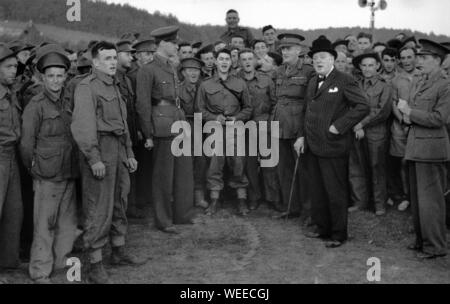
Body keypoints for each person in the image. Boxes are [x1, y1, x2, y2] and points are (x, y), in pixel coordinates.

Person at [71, 41, 144, 284]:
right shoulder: (87, 87)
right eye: (107, 58)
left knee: (119, 201)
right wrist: (94, 159)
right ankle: (94, 264)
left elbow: (122, 126)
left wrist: (130, 153)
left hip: (118, 150)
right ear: (95, 62)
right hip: (100, 150)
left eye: (115, 57)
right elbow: (83, 127)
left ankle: (118, 250)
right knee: (97, 207)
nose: (113, 62)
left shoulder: (115, 86)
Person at [300, 36, 369, 248]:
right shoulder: (312, 81)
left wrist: (339, 126)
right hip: (313, 145)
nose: (319, 61)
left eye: (323, 57)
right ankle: (323, 229)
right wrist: (302, 136)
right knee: (318, 190)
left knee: (335, 191)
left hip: (334, 146)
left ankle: (338, 234)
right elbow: (308, 112)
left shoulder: (344, 80)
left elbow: (363, 106)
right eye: (316, 58)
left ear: (332, 59)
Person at [20, 44, 78, 284]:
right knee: (44, 226)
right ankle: (40, 272)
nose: (55, 81)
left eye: (60, 76)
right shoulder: (36, 105)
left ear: (65, 77)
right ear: (42, 78)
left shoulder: (68, 101)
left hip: (68, 172)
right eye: (50, 76)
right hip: (46, 175)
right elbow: (26, 144)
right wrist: (35, 169)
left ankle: (60, 267)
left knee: (67, 225)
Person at [136, 26, 196, 234]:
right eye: (174, 43)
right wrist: (148, 134)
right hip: (161, 126)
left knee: (183, 172)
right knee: (163, 176)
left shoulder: (171, 67)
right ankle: (163, 220)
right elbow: (143, 104)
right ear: (162, 44)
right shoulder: (148, 69)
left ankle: (183, 214)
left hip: (178, 121)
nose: (177, 46)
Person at [397, 39, 450, 259]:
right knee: (419, 201)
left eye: (424, 58)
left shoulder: (445, 85)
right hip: (417, 147)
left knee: (431, 202)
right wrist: (409, 115)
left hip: (430, 150)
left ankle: (435, 246)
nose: (420, 62)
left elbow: (439, 118)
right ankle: (422, 241)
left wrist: (409, 112)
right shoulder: (424, 82)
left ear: (437, 61)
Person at [196, 48, 252, 216]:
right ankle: (214, 200)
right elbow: (200, 110)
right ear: (215, 61)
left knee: (238, 163)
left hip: (235, 129)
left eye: (227, 59)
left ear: (231, 62)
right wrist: (214, 118)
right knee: (215, 163)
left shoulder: (240, 83)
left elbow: (248, 108)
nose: (224, 62)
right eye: (221, 59)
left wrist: (237, 118)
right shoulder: (205, 85)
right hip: (215, 130)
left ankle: (241, 200)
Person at [271, 33, 314, 219]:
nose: (284, 51)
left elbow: (310, 102)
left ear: (299, 50)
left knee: (303, 170)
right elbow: (276, 98)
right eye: (282, 48)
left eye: (288, 48)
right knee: (284, 169)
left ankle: (308, 210)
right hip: (279, 124)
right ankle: (291, 207)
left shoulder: (308, 71)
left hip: (298, 125)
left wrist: (303, 130)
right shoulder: (278, 71)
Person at [348, 50, 392, 216]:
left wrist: (361, 123)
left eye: (371, 65)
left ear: (378, 66)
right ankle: (360, 201)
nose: (367, 69)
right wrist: (355, 125)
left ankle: (379, 204)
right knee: (356, 167)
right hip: (356, 131)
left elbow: (382, 111)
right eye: (364, 65)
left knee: (376, 167)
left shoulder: (384, 85)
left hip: (376, 132)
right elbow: (350, 106)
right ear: (360, 67)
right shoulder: (355, 84)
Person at [238, 49, 278, 211]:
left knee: (269, 164)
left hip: (264, 125)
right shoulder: (235, 80)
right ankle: (254, 197)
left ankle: (272, 197)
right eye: (243, 59)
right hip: (244, 128)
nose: (247, 62)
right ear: (239, 62)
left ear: (255, 61)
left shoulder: (266, 79)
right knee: (250, 165)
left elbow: (275, 103)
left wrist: (270, 123)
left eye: (250, 59)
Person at [387, 46, 421, 212]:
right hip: (400, 127)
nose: (406, 61)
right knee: (402, 162)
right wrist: (402, 120)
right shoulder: (396, 80)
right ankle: (406, 196)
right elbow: (393, 103)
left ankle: (417, 197)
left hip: (418, 126)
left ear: (416, 57)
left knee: (417, 162)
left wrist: (413, 121)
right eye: (403, 58)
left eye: (410, 57)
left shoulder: (423, 76)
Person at [0, 44, 23, 277]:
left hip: (11, 157)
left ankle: (8, 261)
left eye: (15, 66)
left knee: (13, 212)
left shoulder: (12, 92)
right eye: (8, 67)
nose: (13, 71)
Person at [115, 40, 142, 219]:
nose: (131, 57)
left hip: (130, 129)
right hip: (119, 131)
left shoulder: (127, 79)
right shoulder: (113, 79)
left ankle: (129, 206)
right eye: (127, 54)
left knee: (131, 168)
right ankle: (121, 209)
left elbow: (132, 107)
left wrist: (137, 129)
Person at [179, 57, 209, 210]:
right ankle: (184, 197)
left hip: (201, 126)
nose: (193, 73)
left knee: (201, 162)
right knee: (184, 163)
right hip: (183, 128)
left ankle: (199, 196)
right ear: (183, 73)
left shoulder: (204, 88)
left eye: (196, 70)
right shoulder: (177, 89)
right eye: (189, 70)